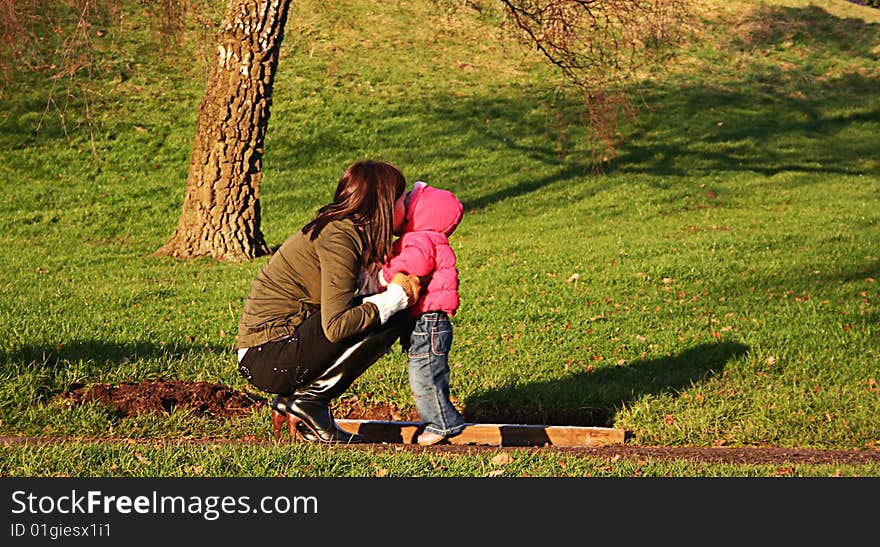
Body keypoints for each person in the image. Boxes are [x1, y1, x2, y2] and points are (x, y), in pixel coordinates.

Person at [235, 160, 421, 444]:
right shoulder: (339, 237)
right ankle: (311, 402)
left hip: (272, 351)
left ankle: (291, 401)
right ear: (383, 205)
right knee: (390, 313)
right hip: (266, 357)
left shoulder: (345, 231)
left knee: (380, 308)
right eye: (401, 199)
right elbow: (336, 326)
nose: (406, 207)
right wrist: (398, 298)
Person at [379, 180, 466, 446]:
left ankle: (443, 423)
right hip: (430, 321)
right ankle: (438, 420)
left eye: (407, 205)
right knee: (428, 370)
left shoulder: (420, 239)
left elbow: (414, 264)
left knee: (425, 372)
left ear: (420, 215)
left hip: (429, 321)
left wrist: (385, 273)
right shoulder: (432, 238)